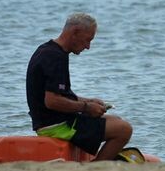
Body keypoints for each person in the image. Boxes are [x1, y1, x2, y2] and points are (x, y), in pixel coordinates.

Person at [25, 12, 133, 161]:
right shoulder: (54, 57)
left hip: (56, 120)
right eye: (87, 40)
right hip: (55, 126)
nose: (88, 47)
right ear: (75, 32)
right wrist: (86, 108)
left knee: (116, 120)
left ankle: (96, 160)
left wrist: (89, 101)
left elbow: (61, 94)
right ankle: (97, 169)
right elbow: (52, 101)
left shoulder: (49, 50)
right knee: (124, 130)